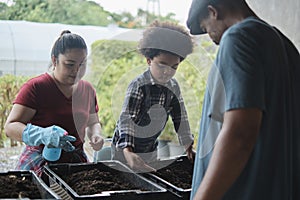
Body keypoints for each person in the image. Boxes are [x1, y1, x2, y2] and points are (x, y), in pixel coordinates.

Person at [186, 0, 300, 199]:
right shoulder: (286, 46)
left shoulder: (238, 37)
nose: (213, 39)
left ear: (214, 12)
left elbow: (240, 133)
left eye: (206, 29)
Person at [4, 30, 104, 176]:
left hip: (75, 162)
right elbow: (10, 127)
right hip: (40, 159)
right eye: (70, 65)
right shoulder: (36, 87)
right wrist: (42, 134)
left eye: (82, 64)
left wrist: (96, 135)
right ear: (54, 60)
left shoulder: (87, 90)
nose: (77, 71)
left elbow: (93, 122)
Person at [111, 21, 196, 172]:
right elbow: (127, 119)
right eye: (162, 65)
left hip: (150, 148)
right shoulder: (138, 85)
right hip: (124, 150)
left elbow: (180, 118)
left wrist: (188, 146)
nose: (167, 71)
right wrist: (128, 152)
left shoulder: (173, 86)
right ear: (149, 60)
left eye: (174, 67)